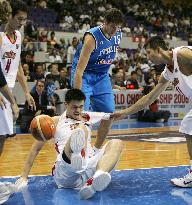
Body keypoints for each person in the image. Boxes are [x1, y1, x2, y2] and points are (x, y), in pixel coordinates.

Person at [111, 36, 192, 188]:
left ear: (158, 50)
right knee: (188, 126)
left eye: (149, 52)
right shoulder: (168, 71)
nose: (147, 57)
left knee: (188, 125)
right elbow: (149, 98)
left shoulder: (182, 54)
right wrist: (124, 113)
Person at [15, 89, 124, 200]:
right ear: (66, 104)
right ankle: (76, 156)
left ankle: (95, 178)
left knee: (117, 143)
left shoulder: (87, 116)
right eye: (74, 107)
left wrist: (140, 104)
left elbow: (114, 115)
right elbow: (35, 149)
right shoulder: (53, 122)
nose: (78, 110)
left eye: (81, 107)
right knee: (81, 128)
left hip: (87, 168)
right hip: (66, 172)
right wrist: (24, 176)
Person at [71, 8, 123, 112]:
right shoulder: (92, 38)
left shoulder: (118, 34)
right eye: (113, 26)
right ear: (105, 22)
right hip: (84, 74)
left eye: (118, 27)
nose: (115, 30)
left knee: (109, 113)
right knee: (80, 110)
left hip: (102, 75)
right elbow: (79, 70)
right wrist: (77, 96)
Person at [0, 0, 36, 137]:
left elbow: (18, 66)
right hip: (1, 89)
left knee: (4, 135)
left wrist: (26, 92)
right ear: (10, 16)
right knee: (3, 135)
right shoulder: (0, 35)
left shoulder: (19, 36)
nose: (22, 23)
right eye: (19, 19)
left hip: (7, 89)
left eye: (24, 20)